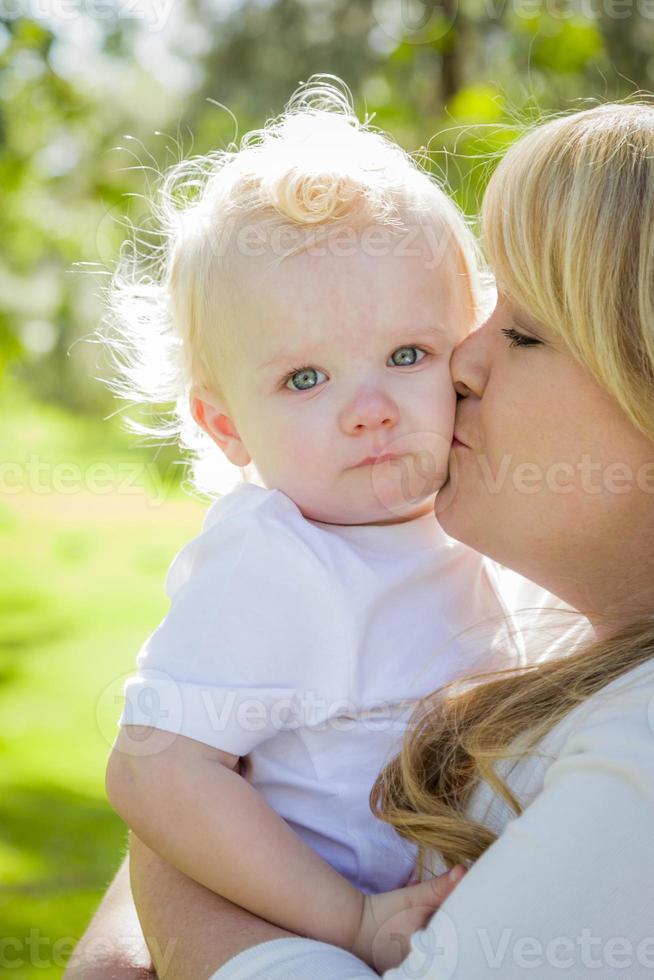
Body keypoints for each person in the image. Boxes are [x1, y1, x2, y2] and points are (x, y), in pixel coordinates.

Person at [67, 100, 654, 979]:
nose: (459, 365)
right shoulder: (280, 558)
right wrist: (344, 920)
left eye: (414, 351)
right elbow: (157, 769)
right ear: (224, 425)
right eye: (305, 377)